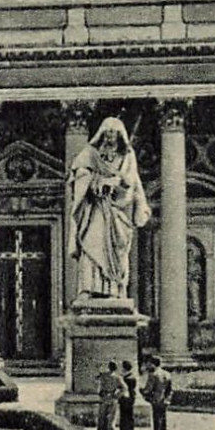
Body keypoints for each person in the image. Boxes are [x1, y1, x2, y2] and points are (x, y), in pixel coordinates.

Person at [66, 117, 152, 299]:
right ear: (102, 133)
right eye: (108, 132)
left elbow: (131, 181)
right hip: (95, 208)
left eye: (115, 133)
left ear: (121, 135)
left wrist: (117, 181)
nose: (111, 136)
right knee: (91, 245)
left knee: (117, 248)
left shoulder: (127, 155)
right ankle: (87, 288)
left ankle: (115, 289)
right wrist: (95, 182)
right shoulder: (90, 153)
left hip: (117, 210)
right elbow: (79, 173)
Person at [141, 355, 173, 430]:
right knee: (163, 417)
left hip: (156, 398)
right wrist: (168, 398)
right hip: (165, 398)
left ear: (153, 364)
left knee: (156, 417)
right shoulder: (167, 374)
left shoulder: (153, 375)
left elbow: (148, 388)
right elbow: (170, 388)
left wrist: (143, 391)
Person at [96, 361, 122, 430]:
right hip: (112, 398)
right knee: (111, 419)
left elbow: (98, 383)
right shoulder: (118, 377)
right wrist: (117, 395)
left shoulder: (103, 375)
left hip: (104, 398)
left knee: (102, 417)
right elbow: (124, 388)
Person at [119, 359, 138, 430]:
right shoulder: (132, 377)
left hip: (125, 398)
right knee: (129, 417)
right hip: (131, 398)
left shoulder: (126, 378)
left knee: (124, 417)